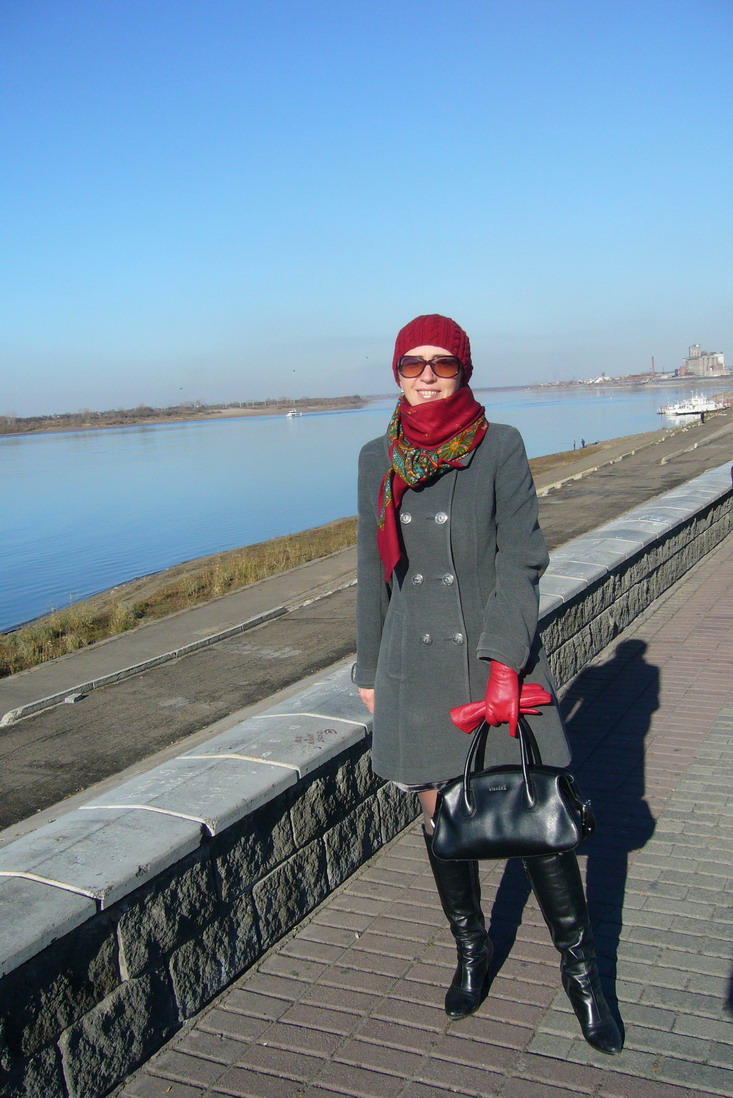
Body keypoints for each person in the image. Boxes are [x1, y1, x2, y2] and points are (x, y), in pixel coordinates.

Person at [353, 314, 622, 1055]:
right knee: (441, 819)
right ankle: (472, 951)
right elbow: (373, 571)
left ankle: (583, 976)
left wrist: (505, 659)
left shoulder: (499, 445)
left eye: (442, 363)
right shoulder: (377, 456)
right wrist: (369, 669)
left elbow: (521, 558)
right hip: (413, 667)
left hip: (493, 659)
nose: (427, 375)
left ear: (464, 370)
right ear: (397, 372)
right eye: (412, 363)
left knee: (536, 819)